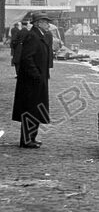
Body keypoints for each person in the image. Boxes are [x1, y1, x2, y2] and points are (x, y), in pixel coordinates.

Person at [12, 12, 54, 149]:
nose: (48, 24)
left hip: (38, 80)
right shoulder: (33, 37)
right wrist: (36, 75)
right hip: (31, 82)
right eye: (45, 22)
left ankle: (32, 137)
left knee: (36, 110)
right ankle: (26, 140)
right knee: (30, 110)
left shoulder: (39, 36)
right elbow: (27, 58)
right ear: (38, 23)